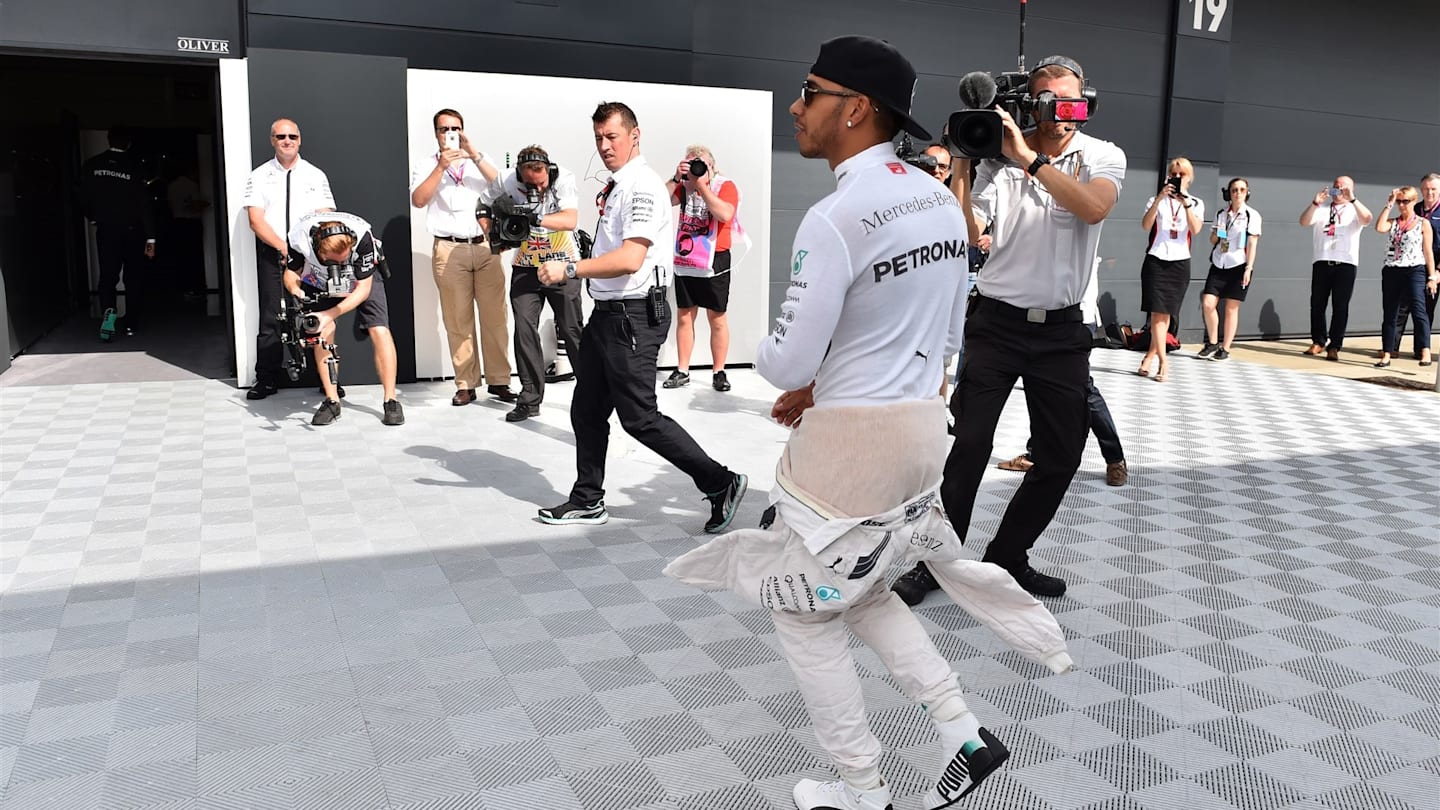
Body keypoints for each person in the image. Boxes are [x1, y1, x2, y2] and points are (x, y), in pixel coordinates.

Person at [665, 37, 1073, 810]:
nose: (796, 105)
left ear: (855, 109)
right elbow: (947, 331)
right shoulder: (934, 197)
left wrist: (778, 352)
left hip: (850, 451)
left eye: (809, 91)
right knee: (861, 589)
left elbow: (782, 364)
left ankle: (862, 789)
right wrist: (835, 379)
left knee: (802, 610)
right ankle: (961, 732)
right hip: (924, 432)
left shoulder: (835, 214)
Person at [899, 55, 1126, 603]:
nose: (1065, 113)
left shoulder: (1101, 156)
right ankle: (935, 563)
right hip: (996, 324)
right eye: (1052, 101)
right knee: (969, 445)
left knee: (1061, 455)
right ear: (1031, 101)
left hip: (1062, 331)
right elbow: (968, 233)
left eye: (1075, 101)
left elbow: (1094, 209)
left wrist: (1028, 160)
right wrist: (963, 168)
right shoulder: (997, 154)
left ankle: (1007, 557)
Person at [535, 102, 745, 532]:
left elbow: (631, 258)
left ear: (635, 135)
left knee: (639, 418)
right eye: (598, 138)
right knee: (587, 410)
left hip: (633, 318)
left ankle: (720, 481)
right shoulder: (620, 185)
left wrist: (570, 269)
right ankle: (587, 499)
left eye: (612, 137)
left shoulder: (643, 187)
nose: (604, 146)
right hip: (608, 315)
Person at [409, 108, 516, 406]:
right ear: (436, 133)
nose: (450, 133)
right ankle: (466, 383)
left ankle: (499, 381)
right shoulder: (427, 165)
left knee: (495, 316)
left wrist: (473, 153)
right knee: (458, 318)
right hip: (449, 247)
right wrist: (441, 167)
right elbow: (418, 200)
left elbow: (504, 187)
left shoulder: (479, 160)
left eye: (455, 128)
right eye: (444, 129)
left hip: (485, 246)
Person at [477, 145, 583, 422]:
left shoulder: (563, 178)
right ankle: (529, 399)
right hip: (526, 265)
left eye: (541, 182)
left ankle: (591, 394)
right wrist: (494, 234)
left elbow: (571, 220)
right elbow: (482, 205)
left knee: (572, 331)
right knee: (524, 330)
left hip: (562, 263)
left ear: (548, 170)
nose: (536, 186)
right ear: (520, 175)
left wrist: (534, 217)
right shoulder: (506, 179)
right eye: (530, 183)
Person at [282, 211, 404, 426]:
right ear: (319, 249)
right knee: (322, 332)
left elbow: (363, 290)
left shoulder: (362, 238)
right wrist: (296, 291)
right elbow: (291, 274)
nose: (340, 263)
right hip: (317, 277)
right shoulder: (298, 238)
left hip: (361, 278)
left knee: (379, 329)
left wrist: (329, 314)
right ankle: (332, 400)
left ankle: (391, 400)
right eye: (334, 260)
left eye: (344, 258)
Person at [242, 119, 334, 400]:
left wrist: (308, 250)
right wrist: (282, 247)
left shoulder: (315, 175)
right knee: (271, 318)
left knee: (318, 317)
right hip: (273, 253)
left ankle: (328, 380)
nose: (286, 140)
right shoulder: (258, 175)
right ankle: (266, 379)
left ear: (300, 139)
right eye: (280, 136)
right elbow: (255, 221)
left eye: (292, 136)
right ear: (272, 140)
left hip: (310, 256)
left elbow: (326, 214)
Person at [662, 145, 741, 392]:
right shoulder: (684, 184)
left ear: (712, 167)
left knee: (717, 316)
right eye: (691, 163)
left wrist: (702, 186)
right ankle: (682, 369)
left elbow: (725, 213)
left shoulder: (723, 185)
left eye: (700, 164)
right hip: (687, 257)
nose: (695, 169)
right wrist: (677, 178)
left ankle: (718, 371)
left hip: (714, 257)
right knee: (685, 315)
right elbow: (661, 203)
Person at [80, 128, 156, 340]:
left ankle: (109, 320)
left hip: (106, 229)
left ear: (109, 140)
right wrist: (151, 237)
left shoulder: (92, 165)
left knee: (108, 276)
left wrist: (93, 217)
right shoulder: (134, 166)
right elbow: (144, 204)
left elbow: (82, 196)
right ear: (129, 143)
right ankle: (131, 323)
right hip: (133, 231)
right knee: (133, 278)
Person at [1136, 157, 1203, 380]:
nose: (1177, 177)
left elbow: (1196, 229)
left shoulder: (1195, 202)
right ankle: (1164, 362)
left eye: (1182, 174)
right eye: (1174, 173)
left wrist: (1184, 203)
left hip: (1180, 261)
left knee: (1166, 315)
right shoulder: (1157, 200)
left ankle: (1150, 355)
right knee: (1157, 314)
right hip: (1156, 258)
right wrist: (1159, 199)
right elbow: (1146, 225)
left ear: (1189, 178)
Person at [1299, 176, 1373, 360]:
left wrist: (1353, 198)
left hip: (1345, 263)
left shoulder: (1354, 209)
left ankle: (1335, 345)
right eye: (1335, 187)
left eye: (1343, 188)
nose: (1338, 191)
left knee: (1340, 306)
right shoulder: (1322, 209)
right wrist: (1315, 202)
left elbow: (1367, 219)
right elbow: (1304, 221)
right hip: (1322, 260)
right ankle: (1318, 341)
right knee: (1317, 304)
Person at [1198, 177, 1263, 361]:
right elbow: (1213, 241)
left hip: (1239, 264)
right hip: (1220, 262)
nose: (1238, 193)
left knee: (1231, 308)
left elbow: (1252, 243)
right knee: (1208, 303)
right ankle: (1212, 342)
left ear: (1247, 193)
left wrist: (1248, 268)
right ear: (1229, 193)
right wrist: (1217, 231)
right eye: (1234, 190)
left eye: (1242, 190)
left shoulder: (1252, 215)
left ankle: (1225, 348)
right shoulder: (1222, 214)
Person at [1374, 185, 1436, 368]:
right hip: (1393, 269)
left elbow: (1428, 252)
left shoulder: (1423, 223)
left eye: (1405, 201)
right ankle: (1387, 352)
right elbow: (1379, 227)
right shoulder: (1393, 222)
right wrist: (1389, 204)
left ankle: (1425, 350)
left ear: (1414, 201)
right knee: (1390, 312)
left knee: (1419, 309)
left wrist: (1432, 277)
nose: (1402, 205)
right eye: (1399, 201)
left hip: (1414, 269)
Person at [1400, 173, 1440, 352]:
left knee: (1426, 307)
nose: (1429, 192)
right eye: (1425, 189)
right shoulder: (1415, 209)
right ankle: (1397, 347)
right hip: (1416, 263)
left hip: (1438, 263)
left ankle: (1423, 349)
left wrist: (1438, 271)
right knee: (1409, 306)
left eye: (1433, 189)